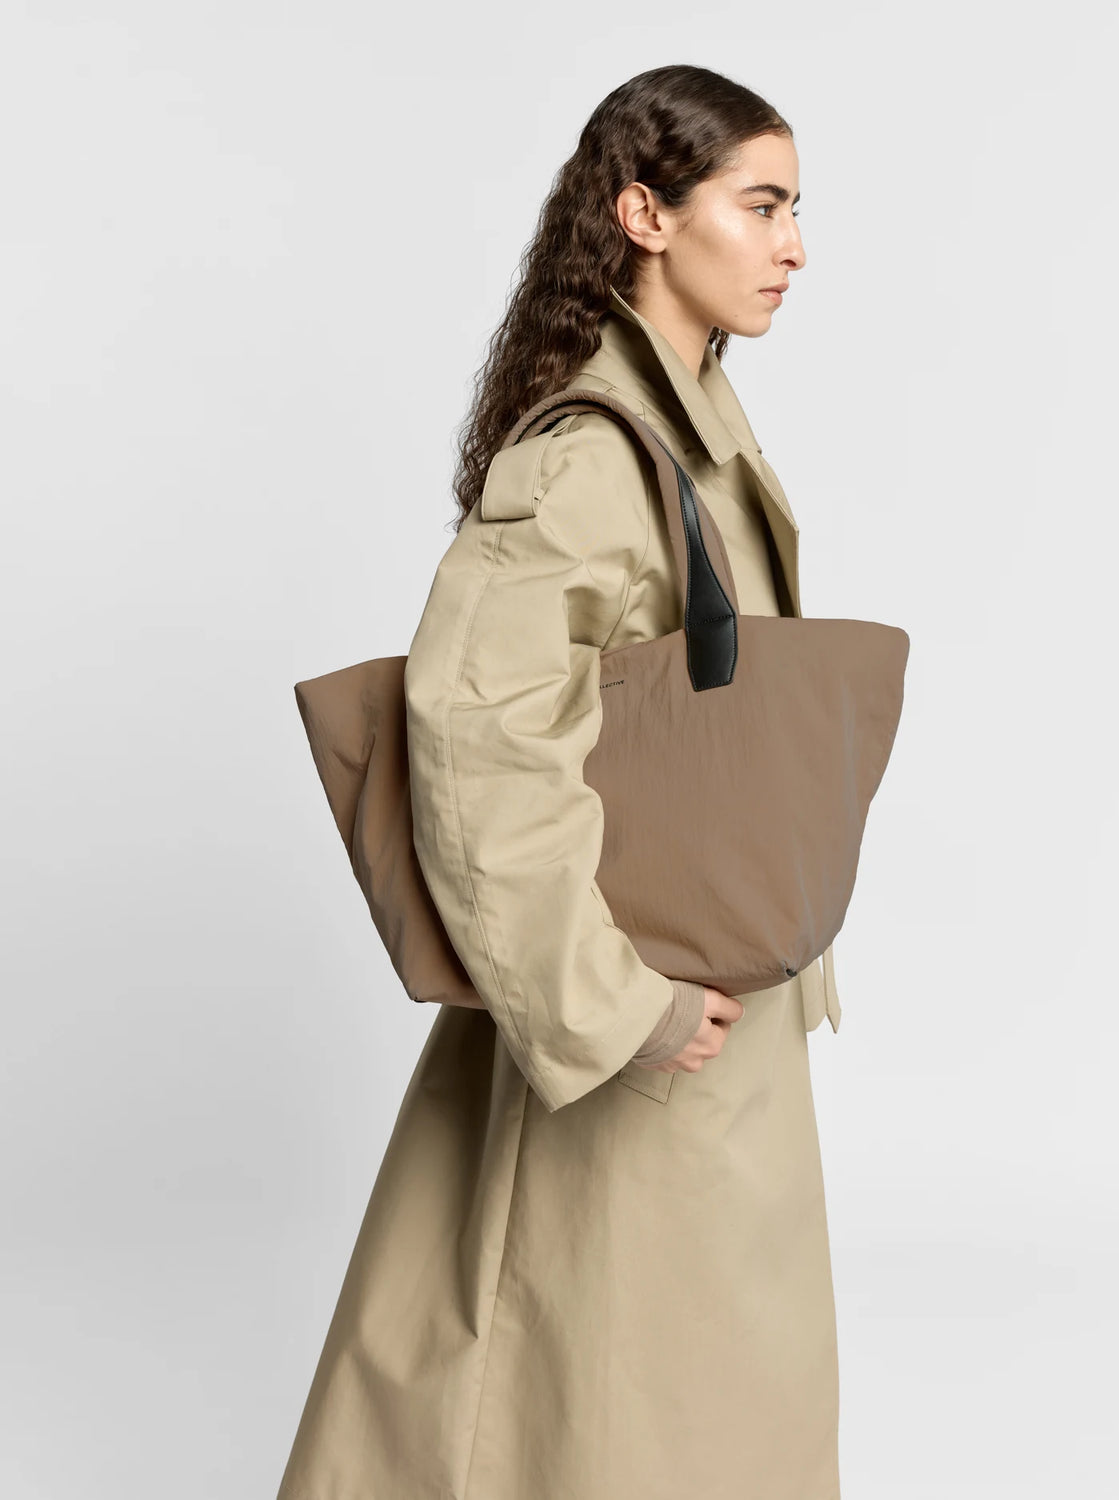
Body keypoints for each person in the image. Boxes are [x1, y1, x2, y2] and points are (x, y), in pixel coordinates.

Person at [278, 63, 844, 1500]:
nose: (794, 245)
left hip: (706, 1021)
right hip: (636, 1035)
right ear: (646, 214)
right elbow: (477, 751)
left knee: (677, 1408)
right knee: (598, 1411)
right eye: (762, 205)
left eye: (798, 210)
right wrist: (619, 1008)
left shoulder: (695, 441)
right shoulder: (594, 459)